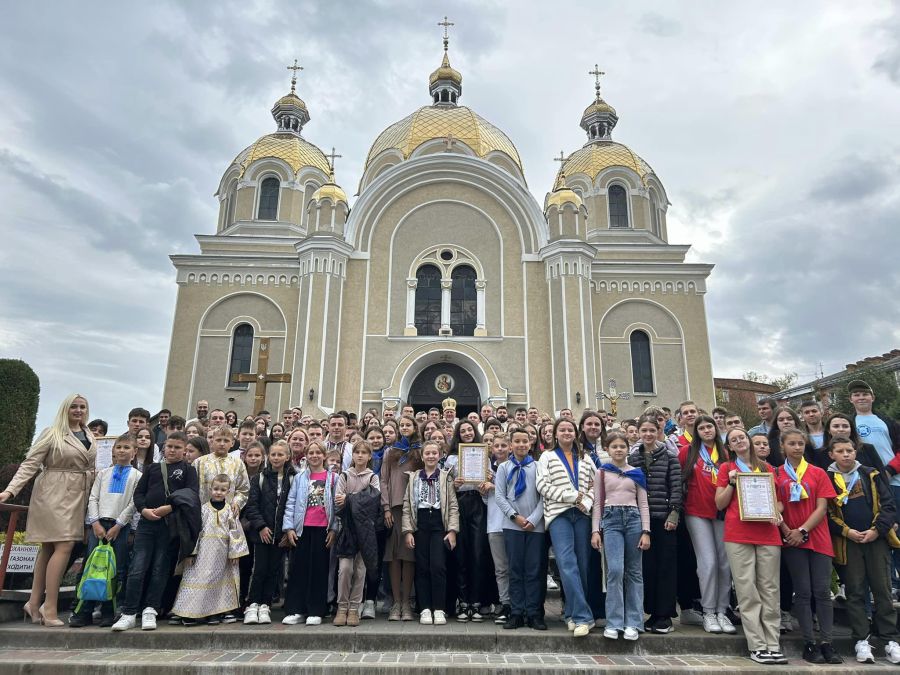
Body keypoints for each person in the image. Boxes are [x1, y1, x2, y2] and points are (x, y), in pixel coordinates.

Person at [0, 394, 96, 627]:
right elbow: (30, 464)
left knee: (49, 548)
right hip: (53, 492)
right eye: (73, 406)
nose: (78, 410)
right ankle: (49, 606)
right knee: (65, 545)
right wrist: (10, 491)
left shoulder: (89, 434)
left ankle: (34, 603)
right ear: (65, 409)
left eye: (82, 407)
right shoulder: (52, 433)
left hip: (79, 494)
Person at [714, 427, 787, 665]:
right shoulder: (726, 468)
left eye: (742, 437)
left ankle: (773, 643)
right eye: (733, 440)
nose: (739, 441)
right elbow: (719, 503)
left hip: (768, 533)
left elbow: (779, 502)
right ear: (729, 447)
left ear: (749, 440)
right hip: (738, 533)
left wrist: (777, 512)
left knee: (770, 589)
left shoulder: (767, 469)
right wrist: (731, 483)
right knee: (747, 589)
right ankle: (757, 645)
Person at [113, 432, 199, 631]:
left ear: (184, 450)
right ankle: (129, 612)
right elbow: (139, 493)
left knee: (160, 568)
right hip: (146, 524)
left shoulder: (188, 470)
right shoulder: (152, 468)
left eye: (177, 447)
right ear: (164, 447)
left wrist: (170, 507)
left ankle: (151, 609)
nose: (172, 450)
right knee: (137, 567)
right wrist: (144, 509)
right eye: (169, 446)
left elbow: (191, 495)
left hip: (170, 525)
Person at [825, 436, 900, 665]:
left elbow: (889, 506)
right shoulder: (827, 478)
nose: (846, 454)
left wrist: (877, 530)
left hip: (876, 539)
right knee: (855, 591)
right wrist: (846, 531)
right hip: (848, 542)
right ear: (831, 455)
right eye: (840, 451)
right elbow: (826, 513)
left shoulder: (870, 474)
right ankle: (861, 639)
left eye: (849, 450)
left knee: (882, 589)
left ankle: (890, 639)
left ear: (855, 452)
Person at [775, 428, 836, 664]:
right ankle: (809, 643)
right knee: (802, 591)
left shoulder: (817, 472)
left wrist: (802, 530)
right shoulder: (776, 474)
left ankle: (827, 642)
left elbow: (822, 507)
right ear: (783, 447)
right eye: (791, 443)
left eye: (800, 443)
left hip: (816, 536)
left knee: (822, 590)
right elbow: (774, 505)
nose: (797, 447)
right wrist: (787, 531)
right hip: (791, 538)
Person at [69, 433, 141, 628]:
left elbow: (133, 503)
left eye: (127, 447)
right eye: (119, 447)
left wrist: (119, 524)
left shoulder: (137, 476)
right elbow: (93, 498)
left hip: (120, 528)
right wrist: (95, 523)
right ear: (113, 451)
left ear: (134, 452)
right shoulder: (103, 474)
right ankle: (83, 611)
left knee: (116, 569)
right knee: (91, 566)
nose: (122, 451)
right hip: (99, 525)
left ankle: (109, 611)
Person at [536, 418, 595, 637]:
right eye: (562, 429)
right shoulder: (547, 456)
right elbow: (542, 485)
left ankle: (571, 611)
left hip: (582, 514)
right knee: (566, 563)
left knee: (583, 565)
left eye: (570, 429)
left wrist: (586, 500)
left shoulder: (586, 457)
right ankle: (583, 617)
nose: (566, 432)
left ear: (576, 433)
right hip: (558, 515)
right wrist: (573, 496)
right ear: (555, 434)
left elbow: (596, 484)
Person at [592, 431, 650, 641]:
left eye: (622, 446)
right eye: (614, 446)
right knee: (615, 570)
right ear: (608, 450)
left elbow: (643, 503)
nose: (618, 450)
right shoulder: (602, 473)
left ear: (628, 449)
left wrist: (646, 531)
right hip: (611, 520)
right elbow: (597, 503)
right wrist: (595, 530)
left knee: (634, 572)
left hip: (634, 520)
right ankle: (614, 622)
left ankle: (633, 622)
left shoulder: (636, 473)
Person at [679, 414, 733, 634]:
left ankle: (722, 611)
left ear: (715, 429)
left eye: (709, 427)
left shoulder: (726, 453)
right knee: (708, 563)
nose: (706, 431)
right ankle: (708, 611)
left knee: (724, 563)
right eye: (701, 428)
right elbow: (678, 479)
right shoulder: (687, 452)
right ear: (697, 432)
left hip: (722, 512)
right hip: (696, 512)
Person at [171, 474, 249, 625]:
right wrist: (191, 552)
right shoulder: (202, 509)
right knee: (196, 579)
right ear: (210, 489)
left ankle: (214, 613)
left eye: (223, 490)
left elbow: (235, 531)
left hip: (222, 554)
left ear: (228, 491)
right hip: (202, 553)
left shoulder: (230, 510)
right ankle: (189, 613)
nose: (219, 492)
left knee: (218, 582)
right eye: (216, 489)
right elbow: (195, 531)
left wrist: (235, 553)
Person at [629, 413, 681, 634]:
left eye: (652, 430)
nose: (648, 434)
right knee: (647, 567)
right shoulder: (634, 459)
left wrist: (674, 513)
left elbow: (677, 486)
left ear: (658, 431)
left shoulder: (669, 456)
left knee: (666, 566)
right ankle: (651, 612)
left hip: (664, 518)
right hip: (642, 520)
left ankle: (664, 615)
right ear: (639, 433)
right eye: (644, 430)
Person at [402, 439, 459, 625]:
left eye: (434, 453)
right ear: (422, 456)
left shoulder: (445, 477)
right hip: (420, 523)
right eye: (427, 453)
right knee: (422, 567)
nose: (431, 456)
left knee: (438, 566)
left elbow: (453, 506)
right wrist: (408, 531)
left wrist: (452, 530)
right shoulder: (414, 477)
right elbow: (407, 506)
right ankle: (425, 608)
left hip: (438, 525)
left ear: (440, 455)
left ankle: (439, 608)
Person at [495, 428, 545, 630]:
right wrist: (515, 517)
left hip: (535, 527)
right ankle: (516, 612)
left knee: (534, 570)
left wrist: (533, 519)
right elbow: (500, 496)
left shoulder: (539, 466)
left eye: (525, 441)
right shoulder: (504, 467)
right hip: (512, 526)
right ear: (511, 445)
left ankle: (534, 613)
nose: (521, 444)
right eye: (517, 441)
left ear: (530, 444)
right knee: (515, 570)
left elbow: (544, 496)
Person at [281, 441, 337, 626]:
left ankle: (316, 610)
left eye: (318, 452)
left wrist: (334, 528)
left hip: (323, 529)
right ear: (306, 455)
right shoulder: (300, 478)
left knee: (319, 570)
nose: (314, 456)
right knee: (299, 569)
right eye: (311, 452)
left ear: (324, 455)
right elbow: (291, 503)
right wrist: (289, 528)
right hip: (302, 529)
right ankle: (297, 609)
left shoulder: (333, 478)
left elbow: (337, 506)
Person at [243, 440, 295, 625]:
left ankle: (265, 604)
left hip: (281, 535)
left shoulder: (293, 479)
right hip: (262, 534)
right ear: (268, 456)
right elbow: (252, 506)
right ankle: (252, 604)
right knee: (259, 569)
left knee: (274, 570)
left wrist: (287, 530)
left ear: (287, 457)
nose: (276, 458)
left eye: (280, 454)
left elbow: (294, 506)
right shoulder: (259, 478)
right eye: (273, 454)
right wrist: (261, 526)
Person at [333, 441, 381, 627]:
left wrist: (349, 499)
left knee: (360, 570)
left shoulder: (373, 477)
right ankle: (342, 607)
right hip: (347, 528)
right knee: (345, 569)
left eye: (364, 452)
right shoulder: (345, 475)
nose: (360, 455)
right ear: (352, 455)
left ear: (369, 456)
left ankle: (354, 608)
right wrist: (357, 500)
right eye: (357, 452)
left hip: (365, 530)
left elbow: (373, 502)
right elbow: (338, 503)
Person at [380, 415, 423, 621]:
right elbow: (384, 480)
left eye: (408, 424)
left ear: (415, 427)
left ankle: (407, 602)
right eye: (402, 425)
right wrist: (386, 508)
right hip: (395, 507)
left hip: (413, 508)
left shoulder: (420, 451)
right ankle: (396, 602)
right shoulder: (391, 452)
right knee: (394, 556)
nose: (405, 427)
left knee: (409, 556)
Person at [447, 419, 490, 622]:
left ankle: (476, 602)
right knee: (461, 554)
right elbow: (447, 486)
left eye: (469, 430)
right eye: (463, 431)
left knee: (477, 553)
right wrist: (454, 484)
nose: (467, 433)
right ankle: (463, 602)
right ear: (458, 435)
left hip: (478, 504)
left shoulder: (484, 454)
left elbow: (489, 482)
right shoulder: (451, 459)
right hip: (459, 504)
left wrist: (487, 481)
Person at [482, 433, 511, 624]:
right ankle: (505, 603)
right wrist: (483, 490)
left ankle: (517, 604)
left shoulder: (514, 467)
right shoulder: (488, 470)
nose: (500, 449)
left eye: (503, 445)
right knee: (500, 569)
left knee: (515, 567)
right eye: (496, 446)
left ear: (510, 448)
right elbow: (487, 501)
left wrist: (493, 485)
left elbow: (515, 492)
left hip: (513, 523)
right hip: (494, 524)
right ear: (491, 449)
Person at [195, 426, 250, 515]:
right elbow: (192, 489)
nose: (222, 444)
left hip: (228, 514)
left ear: (232, 443)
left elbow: (243, 489)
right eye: (218, 440)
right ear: (212, 441)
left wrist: (236, 503)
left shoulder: (238, 464)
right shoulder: (199, 462)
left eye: (226, 441)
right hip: (203, 513)